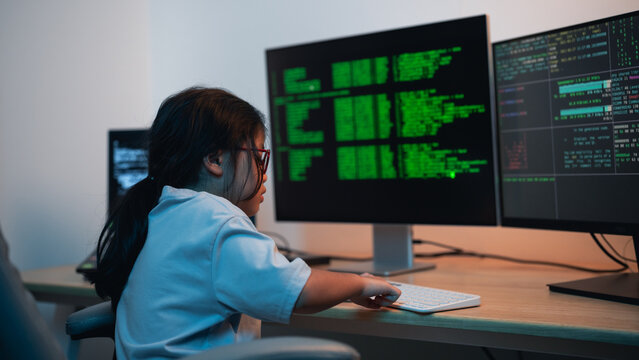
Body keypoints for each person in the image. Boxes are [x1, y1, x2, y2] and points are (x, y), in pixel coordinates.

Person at [89, 87, 401, 359]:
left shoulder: (161, 214)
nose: (265, 175)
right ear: (215, 159)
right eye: (259, 157)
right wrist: (358, 284)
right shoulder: (213, 219)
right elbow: (298, 291)